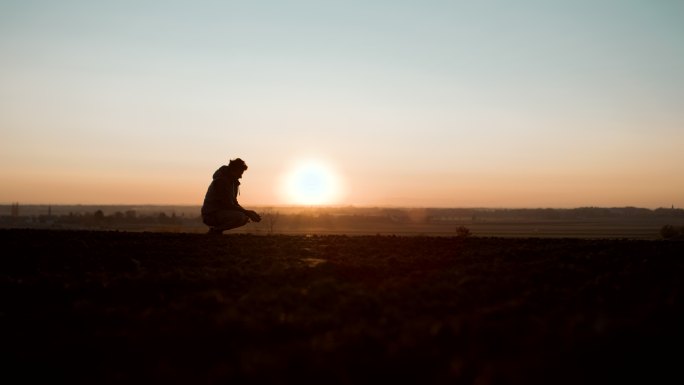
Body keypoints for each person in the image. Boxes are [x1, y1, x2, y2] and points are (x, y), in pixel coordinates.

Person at [201, 158, 261, 235]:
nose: (241, 176)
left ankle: (216, 231)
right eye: (240, 173)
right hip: (211, 214)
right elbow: (227, 204)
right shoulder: (221, 181)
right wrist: (247, 212)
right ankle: (215, 231)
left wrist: (248, 212)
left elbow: (234, 203)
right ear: (234, 170)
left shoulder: (232, 182)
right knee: (240, 217)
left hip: (220, 213)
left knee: (244, 217)